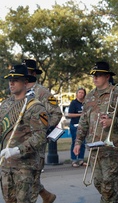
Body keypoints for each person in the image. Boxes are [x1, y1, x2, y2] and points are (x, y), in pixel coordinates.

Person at [73, 61, 118, 203]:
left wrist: (113, 121)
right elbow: (83, 121)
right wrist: (78, 142)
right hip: (94, 146)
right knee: (98, 183)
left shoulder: (117, 93)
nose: (95, 78)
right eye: (94, 75)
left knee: (108, 185)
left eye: (99, 75)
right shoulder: (89, 96)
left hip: (112, 146)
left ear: (107, 76)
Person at [0, 64, 49, 203]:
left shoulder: (35, 107)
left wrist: (17, 150)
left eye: (16, 79)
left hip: (25, 166)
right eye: (10, 79)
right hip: (6, 165)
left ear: (26, 82)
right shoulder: (5, 105)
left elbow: (40, 137)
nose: (11, 82)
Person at [23, 59, 62, 203]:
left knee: (31, 178)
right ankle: (46, 195)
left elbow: (57, 113)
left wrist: (44, 130)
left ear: (32, 73)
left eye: (25, 71)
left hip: (36, 141)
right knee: (23, 176)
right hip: (20, 141)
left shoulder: (42, 92)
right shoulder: (19, 91)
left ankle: (43, 196)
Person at [68, 87, 86, 167]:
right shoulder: (74, 103)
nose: (81, 94)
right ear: (76, 94)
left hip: (83, 125)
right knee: (75, 142)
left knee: (83, 143)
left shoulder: (85, 103)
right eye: (79, 92)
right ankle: (74, 160)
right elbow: (69, 114)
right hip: (75, 125)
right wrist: (80, 115)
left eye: (82, 93)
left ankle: (81, 159)